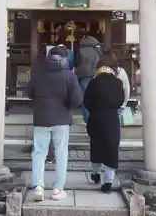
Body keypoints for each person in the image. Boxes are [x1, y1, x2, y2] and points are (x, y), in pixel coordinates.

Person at [26, 45, 83, 201]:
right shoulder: (69, 75)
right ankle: (58, 189)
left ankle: (38, 186)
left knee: (39, 152)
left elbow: (29, 92)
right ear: (65, 59)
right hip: (62, 118)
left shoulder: (38, 73)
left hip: (41, 118)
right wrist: (67, 106)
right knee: (61, 153)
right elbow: (78, 99)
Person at [84, 51, 125, 193]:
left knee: (96, 147)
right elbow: (120, 100)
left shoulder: (93, 82)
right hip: (112, 119)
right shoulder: (118, 82)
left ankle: (95, 174)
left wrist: (95, 109)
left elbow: (86, 102)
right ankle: (108, 181)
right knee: (111, 149)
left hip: (96, 118)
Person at [76, 35, 103, 123]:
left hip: (83, 75)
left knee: (85, 98)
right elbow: (101, 59)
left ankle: (87, 119)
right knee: (96, 97)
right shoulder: (97, 47)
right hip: (96, 74)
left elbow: (77, 61)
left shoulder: (80, 48)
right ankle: (96, 119)